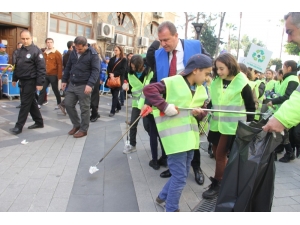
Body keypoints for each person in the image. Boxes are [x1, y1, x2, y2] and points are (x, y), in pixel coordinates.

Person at [143, 53, 213, 212]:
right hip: (175, 140)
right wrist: (165, 106)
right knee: (180, 178)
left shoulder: (200, 89)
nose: (208, 77)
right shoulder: (173, 81)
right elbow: (149, 90)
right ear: (196, 70)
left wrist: (199, 113)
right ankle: (171, 209)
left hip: (190, 138)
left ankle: (162, 197)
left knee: (180, 175)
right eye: (207, 73)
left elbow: (203, 113)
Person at [144, 21, 211, 185]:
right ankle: (174, 167)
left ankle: (196, 167)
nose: (163, 44)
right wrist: (149, 102)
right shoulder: (159, 54)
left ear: (176, 35)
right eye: (160, 40)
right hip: (172, 104)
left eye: (166, 39)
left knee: (192, 137)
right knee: (172, 135)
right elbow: (156, 79)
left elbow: (209, 62)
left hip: (193, 100)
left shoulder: (195, 46)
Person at [203, 53, 256, 199]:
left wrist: (249, 127)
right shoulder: (216, 81)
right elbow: (214, 101)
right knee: (216, 153)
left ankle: (218, 183)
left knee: (220, 154)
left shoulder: (242, 82)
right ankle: (227, 181)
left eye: (221, 69)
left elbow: (251, 106)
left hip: (232, 126)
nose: (218, 72)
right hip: (215, 124)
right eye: (217, 69)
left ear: (230, 65)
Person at [62, 36, 100, 138]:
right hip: (73, 83)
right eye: (76, 48)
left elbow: (96, 71)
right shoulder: (73, 52)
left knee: (84, 108)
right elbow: (68, 66)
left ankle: (84, 129)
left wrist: (90, 85)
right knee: (68, 103)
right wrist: (64, 80)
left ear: (86, 46)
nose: (77, 51)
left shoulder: (93, 55)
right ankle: (76, 124)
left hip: (84, 85)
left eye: (80, 49)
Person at [9, 30, 46, 135]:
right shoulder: (20, 50)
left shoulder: (36, 51)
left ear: (31, 38)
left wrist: (40, 83)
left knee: (25, 103)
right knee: (31, 102)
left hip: (31, 80)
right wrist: (14, 79)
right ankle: (39, 122)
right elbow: (18, 66)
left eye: (27, 38)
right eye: (23, 39)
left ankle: (18, 126)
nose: (25, 41)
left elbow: (41, 68)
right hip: (23, 80)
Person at [266, 60, 299, 163]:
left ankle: (289, 152)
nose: (282, 69)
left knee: (284, 133)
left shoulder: (292, 80)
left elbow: (288, 97)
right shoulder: (288, 79)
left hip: (286, 113)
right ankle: (284, 151)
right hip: (283, 111)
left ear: (289, 68)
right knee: (282, 133)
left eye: (284, 67)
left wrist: (274, 101)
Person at [37, 38, 62, 110]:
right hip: (45, 74)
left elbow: (60, 65)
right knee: (42, 89)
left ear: (53, 43)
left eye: (51, 42)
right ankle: (39, 103)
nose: (49, 43)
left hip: (53, 75)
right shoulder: (44, 53)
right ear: (46, 43)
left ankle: (59, 103)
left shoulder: (57, 53)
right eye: (48, 42)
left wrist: (59, 76)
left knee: (55, 90)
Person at [104, 45, 127, 117]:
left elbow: (123, 70)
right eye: (114, 50)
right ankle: (119, 106)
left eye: (116, 50)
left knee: (115, 95)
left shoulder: (124, 59)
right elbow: (109, 67)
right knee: (114, 94)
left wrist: (114, 74)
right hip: (111, 79)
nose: (115, 51)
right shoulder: (112, 59)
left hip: (118, 79)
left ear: (120, 51)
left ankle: (112, 111)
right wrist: (111, 74)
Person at [90, 43, 105, 122]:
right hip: (90, 78)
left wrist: (102, 78)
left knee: (94, 97)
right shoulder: (90, 56)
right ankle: (95, 112)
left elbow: (103, 69)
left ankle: (94, 113)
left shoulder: (99, 58)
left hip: (96, 78)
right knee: (91, 97)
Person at [59, 41, 74, 116]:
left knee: (70, 92)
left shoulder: (64, 56)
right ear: (71, 46)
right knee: (72, 93)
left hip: (67, 76)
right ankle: (64, 104)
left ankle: (64, 104)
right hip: (72, 76)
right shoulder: (72, 54)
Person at [12, 42, 23, 109]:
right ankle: (22, 103)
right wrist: (14, 79)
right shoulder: (16, 53)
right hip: (21, 75)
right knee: (22, 90)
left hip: (28, 76)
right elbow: (15, 65)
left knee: (30, 93)